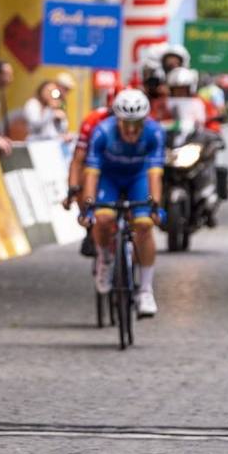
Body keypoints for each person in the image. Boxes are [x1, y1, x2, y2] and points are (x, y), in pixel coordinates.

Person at [81, 89, 166, 318]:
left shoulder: (155, 133)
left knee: (145, 225)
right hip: (108, 177)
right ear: (116, 119)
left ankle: (146, 290)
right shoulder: (102, 132)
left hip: (138, 177)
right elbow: (91, 174)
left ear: (145, 120)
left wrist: (155, 205)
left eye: (136, 123)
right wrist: (87, 206)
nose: (131, 129)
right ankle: (105, 259)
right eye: (125, 123)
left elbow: (155, 175)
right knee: (104, 218)